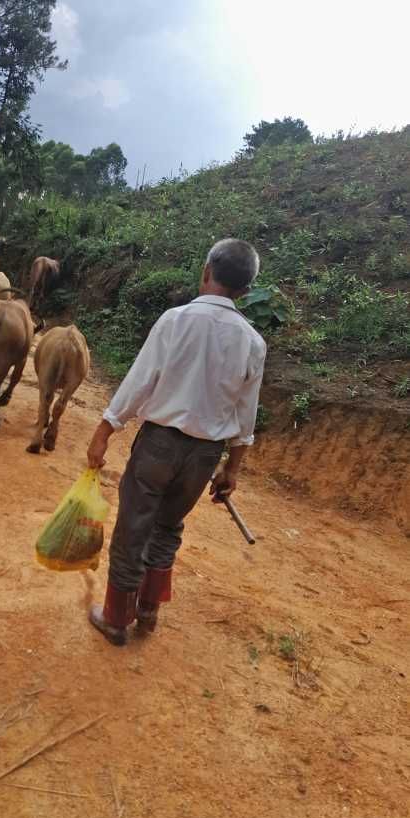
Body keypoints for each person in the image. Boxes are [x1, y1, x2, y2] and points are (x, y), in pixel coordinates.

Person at [86, 238, 266, 645]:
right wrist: (231, 468)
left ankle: (116, 617)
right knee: (167, 528)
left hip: (158, 445)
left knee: (134, 527)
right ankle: (148, 612)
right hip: (204, 455)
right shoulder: (253, 342)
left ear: (206, 272)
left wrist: (104, 431)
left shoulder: (175, 320)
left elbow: (138, 382)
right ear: (246, 291)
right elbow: (245, 415)